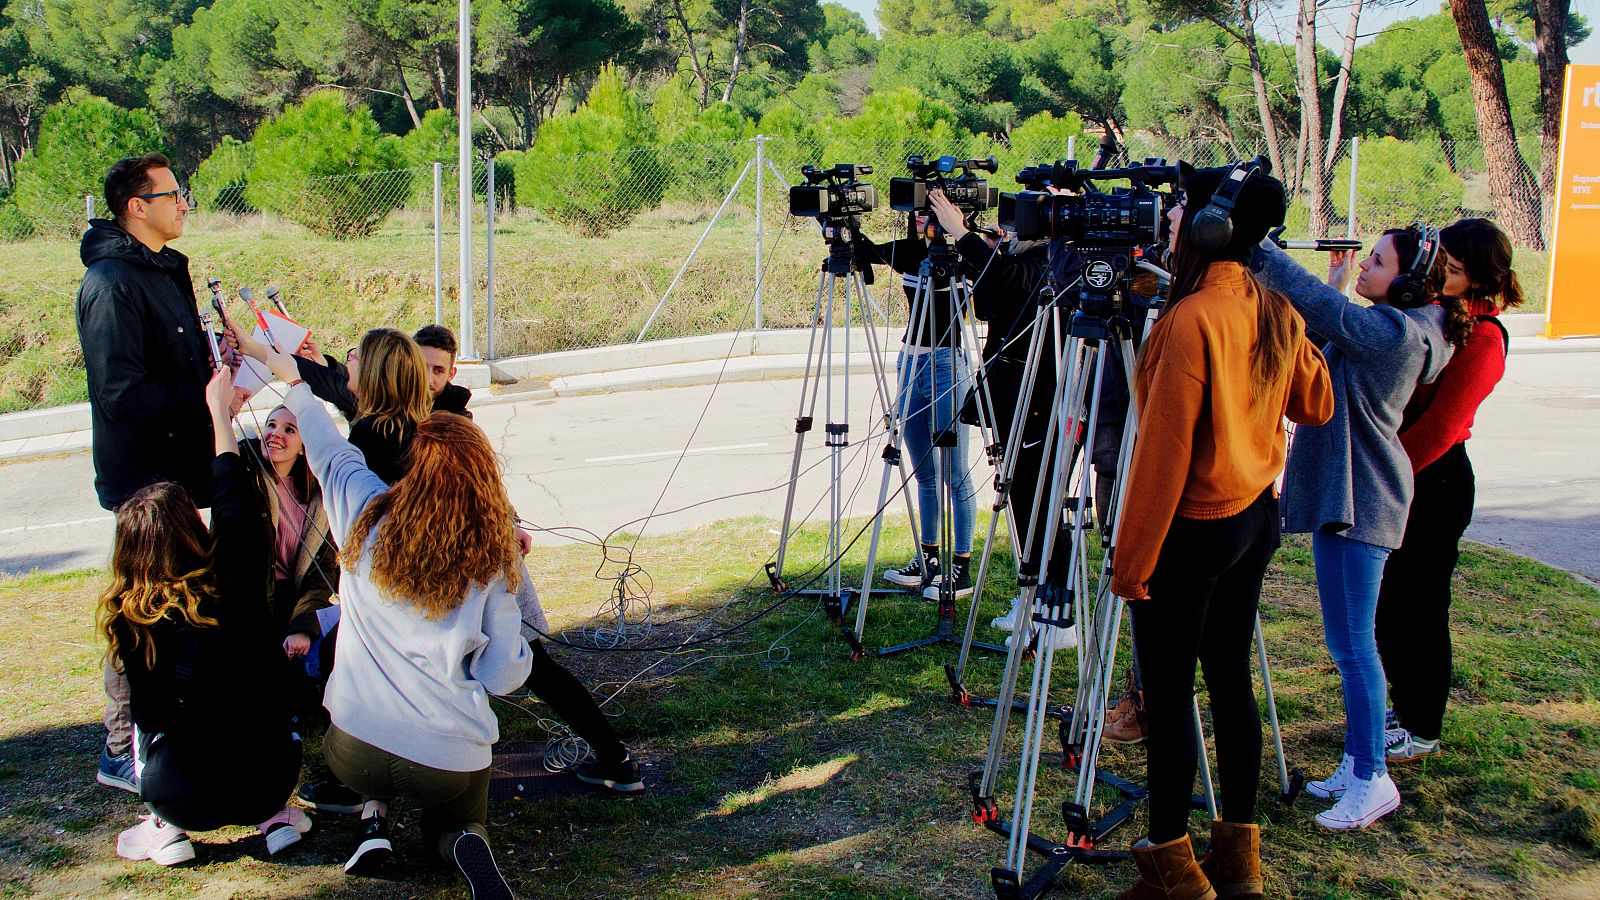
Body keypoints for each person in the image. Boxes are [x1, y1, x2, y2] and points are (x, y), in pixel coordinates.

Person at [1109, 164, 1333, 900]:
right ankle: (1238, 856)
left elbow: (1161, 459)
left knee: (1169, 698)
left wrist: (1131, 561)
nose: (1170, 220)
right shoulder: (1267, 306)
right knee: (1229, 682)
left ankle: (1174, 867)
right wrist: (1291, 335)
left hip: (1191, 535)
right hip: (1251, 523)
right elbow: (1316, 402)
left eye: (1183, 210)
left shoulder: (1190, 321)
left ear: (1213, 228)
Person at [243, 341, 528, 893]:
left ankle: (372, 815)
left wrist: (291, 377)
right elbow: (502, 677)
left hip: (355, 746)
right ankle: (463, 841)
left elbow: (324, 443)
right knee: (461, 817)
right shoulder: (489, 561)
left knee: (372, 756)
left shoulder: (361, 507)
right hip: (447, 755)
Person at [1250, 222, 1455, 832]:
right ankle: (1357, 760)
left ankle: (1372, 778)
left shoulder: (1395, 334)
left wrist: (1255, 247)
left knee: (1353, 647)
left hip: (1364, 502)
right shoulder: (1401, 328)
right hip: (1354, 497)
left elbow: (1321, 309)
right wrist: (1337, 282)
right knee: (1351, 644)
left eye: (1378, 262)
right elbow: (1319, 331)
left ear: (1410, 281)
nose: (1366, 266)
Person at [100, 367, 307, 867]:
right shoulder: (236, 568)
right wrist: (219, 416)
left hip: (179, 791)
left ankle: (166, 830)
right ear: (192, 528)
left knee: (152, 730)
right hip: (267, 778)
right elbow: (233, 495)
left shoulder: (132, 617)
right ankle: (273, 818)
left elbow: (149, 718)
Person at [77, 153, 227, 795]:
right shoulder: (112, 283)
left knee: (186, 603)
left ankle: (178, 728)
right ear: (137, 206)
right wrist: (203, 401)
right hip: (144, 482)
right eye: (174, 194)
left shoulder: (164, 269)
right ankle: (121, 748)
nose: (184, 204)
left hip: (180, 471)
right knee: (142, 609)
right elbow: (120, 391)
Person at [1376, 218, 1519, 763]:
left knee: (1419, 605)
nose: (1440, 274)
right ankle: (1404, 706)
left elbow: (1439, 429)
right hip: (1404, 472)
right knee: (1392, 604)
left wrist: (1383, 475)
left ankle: (1421, 724)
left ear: (1479, 278)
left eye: (1453, 270)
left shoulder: (1483, 337)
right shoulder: (1443, 317)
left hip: (1432, 481)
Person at [853, 210, 979, 599]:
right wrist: (846, 222)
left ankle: (961, 565)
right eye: (921, 208)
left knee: (954, 474)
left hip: (948, 362)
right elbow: (866, 253)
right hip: (910, 360)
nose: (926, 216)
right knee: (923, 469)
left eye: (934, 207)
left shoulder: (968, 252)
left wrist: (966, 235)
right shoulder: (911, 251)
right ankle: (929, 558)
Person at [414, 323, 474, 417]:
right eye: (422, 368)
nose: (428, 380)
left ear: (451, 375)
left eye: (438, 371)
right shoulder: (388, 412)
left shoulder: (458, 424)